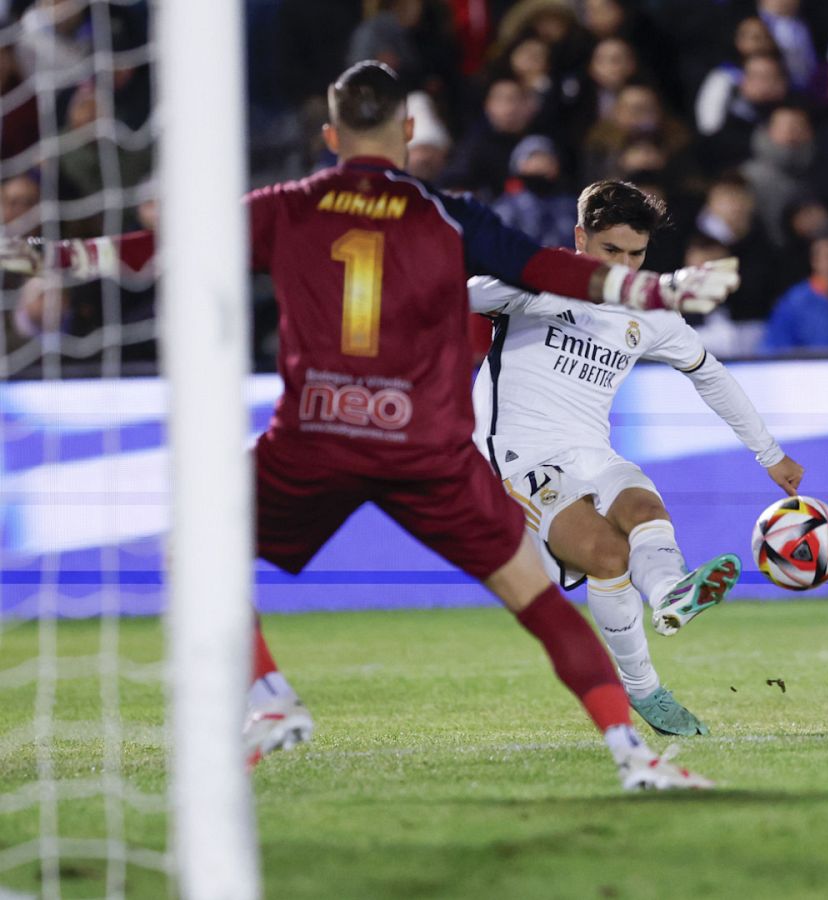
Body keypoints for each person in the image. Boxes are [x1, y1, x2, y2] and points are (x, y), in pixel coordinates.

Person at [5, 62, 742, 789]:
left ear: (330, 134)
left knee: (191, 548)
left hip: (317, 432)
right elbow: (553, 271)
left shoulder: (286, 203)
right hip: (423, 444)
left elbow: (161, 252)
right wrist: (662, 286)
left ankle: (266, 698)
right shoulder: (447, 213)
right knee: (537, 597)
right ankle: (632, 754)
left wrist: (55, 256)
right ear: (409, 130)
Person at [467, 180, 802, 735]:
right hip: (516, 458)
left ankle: (672, 592)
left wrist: (770, 454)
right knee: (606, 555)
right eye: (610, 252)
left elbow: (708, 374)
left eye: (636, 254)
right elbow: (470, 292)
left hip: (591, 452)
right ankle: (645, 690)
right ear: (581, 238)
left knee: (644, 508)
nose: (624, 265)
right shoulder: (543, 278)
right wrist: (540, 283)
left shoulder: (647, 309)